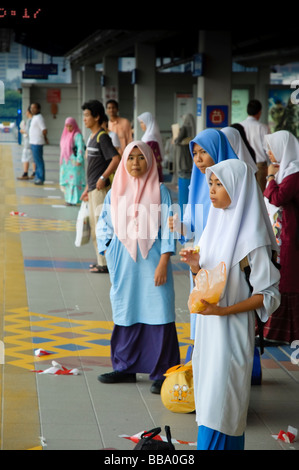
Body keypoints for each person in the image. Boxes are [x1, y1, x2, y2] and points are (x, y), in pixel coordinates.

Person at [180, 159, 280, 450]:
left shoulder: (253, 239)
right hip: (209, 330)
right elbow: (211, 282)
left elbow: (269, 295)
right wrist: (197, 268)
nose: (211, 190)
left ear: (238, 187)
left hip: (232, 332)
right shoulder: (214, 225)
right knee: (209, 405)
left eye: (219, 184)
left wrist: (223, 310)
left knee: (224, 407)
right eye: (211, 183)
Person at [96, 141, 180, 394]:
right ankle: (125, 367)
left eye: (141, 157)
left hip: (153, 260)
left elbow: (169, 228)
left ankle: (163, 372)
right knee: (127, 310)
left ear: (150, 161)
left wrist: (164, 261)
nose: (135, 163)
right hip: (123, 260)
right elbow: (103, 225)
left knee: (159, 311)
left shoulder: (160, 191)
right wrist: (109, 249)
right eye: (130, 158)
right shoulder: (114, 192)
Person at [169, 129, 238, 339]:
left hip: (228, 256)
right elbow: (191, 226)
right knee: (203, 311)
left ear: (217, 152)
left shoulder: (235, 183)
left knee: (226, 311)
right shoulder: (197, 184)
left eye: (204, 152)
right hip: (202, 261)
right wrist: (178, 225)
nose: (198, 159)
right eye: (195, 153)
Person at [263, 130, 299, 344]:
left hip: (291, 235)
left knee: (287, 279)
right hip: (284, 232)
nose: (268, 152)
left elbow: (276, 197)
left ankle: (280, 331)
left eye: (271, 147)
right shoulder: (287, 172)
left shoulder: (294, 174)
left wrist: (269, 177)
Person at [80, 100, 120, 273]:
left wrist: (103, 177)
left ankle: (105, 263)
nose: (85, 119)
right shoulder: (91, 137)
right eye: (84, 116)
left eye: (87, 115)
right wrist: (86, 188)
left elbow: (116, 158)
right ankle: (100, 261)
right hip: (93, 188)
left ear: (97, 117)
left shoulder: (102, 137)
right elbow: (91, 167)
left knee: (101, 227)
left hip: (101, 189)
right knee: (96, 227)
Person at [240, 99, 270, 192]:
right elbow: (268, 148)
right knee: (261, 195)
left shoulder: (240, 126)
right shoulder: (263, 127)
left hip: (243, 166)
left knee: (246, 193)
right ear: (259, 112)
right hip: (260, 166)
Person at [59, 117, 86, 206]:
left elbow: (80, 148)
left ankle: (73, 200)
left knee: (74, 181)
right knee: (67, 181)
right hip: (66, 163)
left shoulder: (77, 135)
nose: (69, 128)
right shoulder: (65, 134)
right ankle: (68, 199)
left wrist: (79, 159)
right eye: (67, 126)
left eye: (70, 126)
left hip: (74, 163)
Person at [173, 113, 196, 214]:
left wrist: (176, 137)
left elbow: (177, 140)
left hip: (182, 159)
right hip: (189, 160)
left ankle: (183, 214)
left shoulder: (184, 128)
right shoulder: (193, 130)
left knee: (182, 195)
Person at [137, 112, 164, 182]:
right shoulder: (149, 135)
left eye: (142, 122)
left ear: (147, 122)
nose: (141, 125)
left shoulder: (149, 137)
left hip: (151, 168)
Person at [29, 102, 48, 185]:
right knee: (36, 161)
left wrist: (45, 138)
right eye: (31, 108)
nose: (32, 109)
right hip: (33, 142)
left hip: (37, 142)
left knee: (39, 161)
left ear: (38, 109)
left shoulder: (39, 118)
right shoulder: (35, 117)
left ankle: (40, 178)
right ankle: (37, 177)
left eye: (34, 108)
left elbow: (44, 129)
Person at [17, 106, 36, 180]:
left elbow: (28, 132)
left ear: (29, 112)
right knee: (32, 158)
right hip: (31, 142)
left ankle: (26, 173)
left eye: (26, 111)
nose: (26, 113)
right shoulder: (31, 120)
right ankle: (33, 172)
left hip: (29, 143)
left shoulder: (30, 121)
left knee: (26, 158)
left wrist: (22, 131)